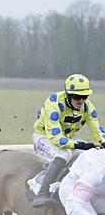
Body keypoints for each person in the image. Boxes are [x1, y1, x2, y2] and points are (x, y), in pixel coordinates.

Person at [31, 73, 103, 207]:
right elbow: (57, 138)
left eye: (84, 97)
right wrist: (84, 145)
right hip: (45, 136)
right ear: (67, 94)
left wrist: (102, 142)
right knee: (64, 154)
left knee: (86, 155)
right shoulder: (53, 103)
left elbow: (97, 130)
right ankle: (41, 194)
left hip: (68, 137)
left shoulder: (88, 107)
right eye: (76, 97)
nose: (81, 101)